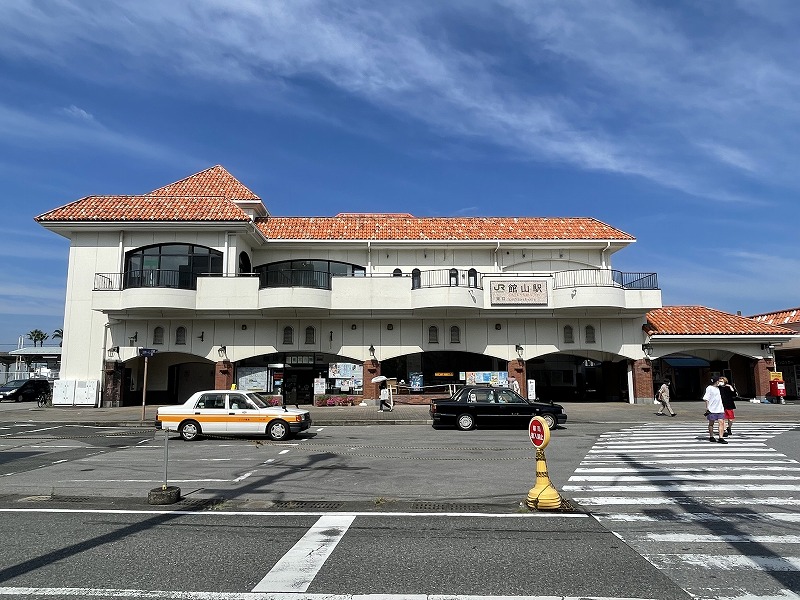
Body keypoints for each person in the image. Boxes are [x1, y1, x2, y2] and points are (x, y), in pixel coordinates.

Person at [703, 378, 727, 444]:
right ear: (716, 382)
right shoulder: (709, 388)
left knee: (721, 422)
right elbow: (706, 398)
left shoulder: (720, 388)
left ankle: (721, 437)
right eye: (719, 381)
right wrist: (707, 407)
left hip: (720, 408)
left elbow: (726, 387)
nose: (720, 382)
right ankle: (711, 436)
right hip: (712, 409)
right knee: (711, 423)